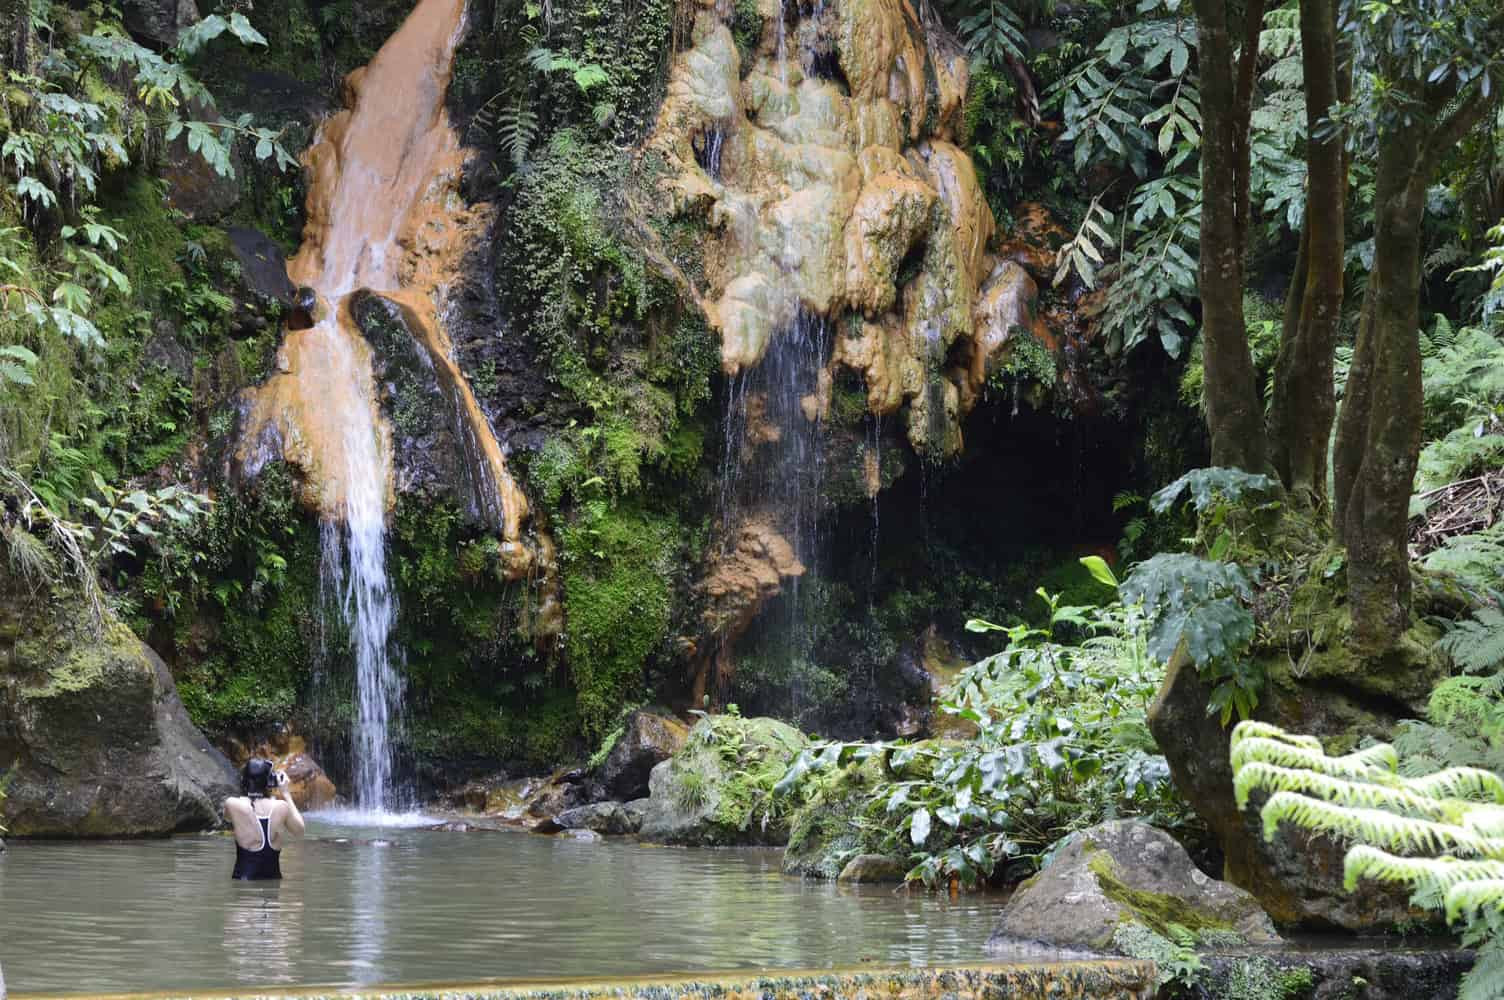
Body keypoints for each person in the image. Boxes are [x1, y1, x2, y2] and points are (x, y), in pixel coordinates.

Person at [225, 758, 306, 880]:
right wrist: (286, 793)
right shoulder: (281, 807)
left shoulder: (233, 804)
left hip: (244, 887)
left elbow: (227, 818)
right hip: (273, 885)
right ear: (270, 782)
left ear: (244, 780)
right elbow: (300, 831)